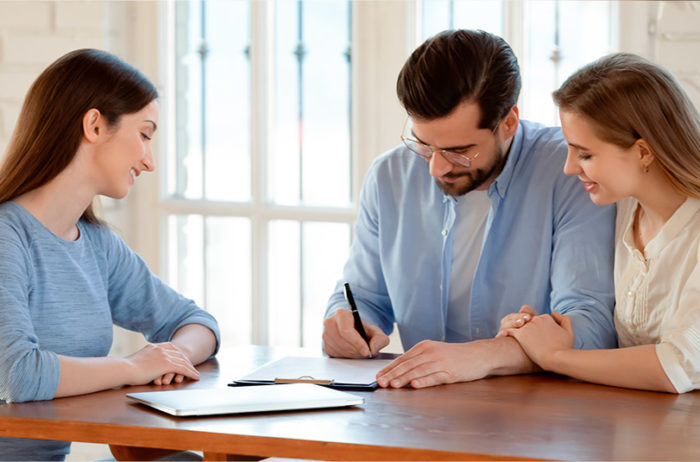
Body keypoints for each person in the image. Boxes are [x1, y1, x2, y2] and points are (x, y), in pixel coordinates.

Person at [322, 29, 617, 389]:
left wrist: (484, 355)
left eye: (459, 151)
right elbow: (364, 296)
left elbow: (590, 325)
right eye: (424, 144)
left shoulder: (570, 171)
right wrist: (346, 324)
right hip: (419, 410)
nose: (436, 169)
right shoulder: (389, 175)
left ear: (508, 122)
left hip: (540, 411)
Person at [0, 49, 220, 459]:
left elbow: (195, 322)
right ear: (95, 125)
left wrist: (171, 357)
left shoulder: (97, 244)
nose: (149, 161)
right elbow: (18, 375)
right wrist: (137, 366)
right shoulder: (6, 237)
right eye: (144, 134)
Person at [499, 53, 700, 393]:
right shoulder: (621, 210)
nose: (569, 168)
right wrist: (535, 330)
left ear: (643, 152)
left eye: (585, 154)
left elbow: (678, 365)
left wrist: (554, 356)